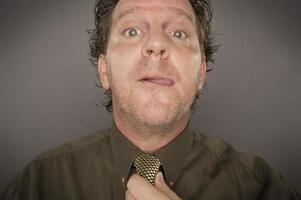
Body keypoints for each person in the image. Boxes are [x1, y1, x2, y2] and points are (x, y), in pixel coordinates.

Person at [1, 0, 300, 199]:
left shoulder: (260, 187)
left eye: (179, 33)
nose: (157, 44)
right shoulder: (38, 183)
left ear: (200, 74)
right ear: (104, 70)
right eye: (132, 31)